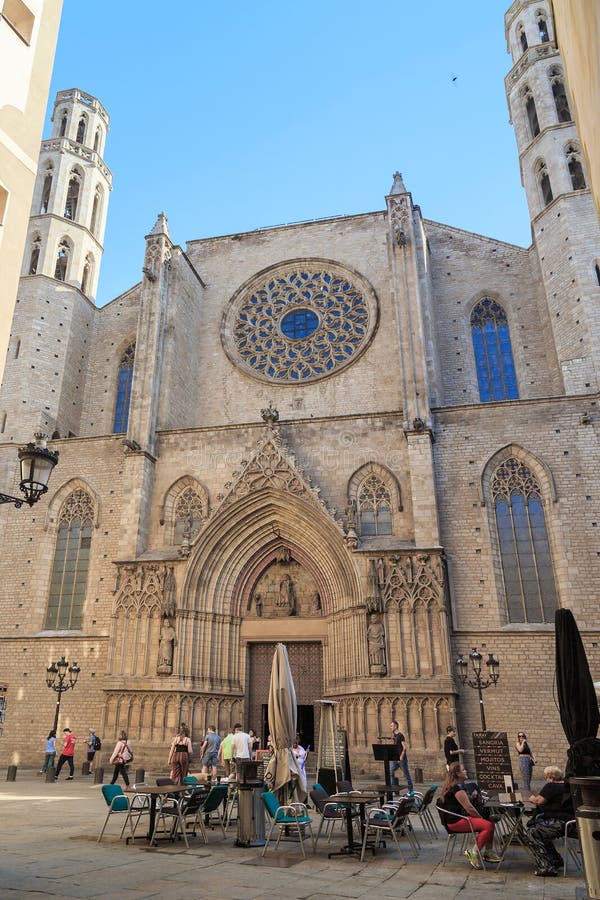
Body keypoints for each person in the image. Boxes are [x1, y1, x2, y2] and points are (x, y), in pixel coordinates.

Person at [439, 762, 499, 868]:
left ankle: (488, 851)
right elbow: (469, 808)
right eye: (463, 770)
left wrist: (472, 796)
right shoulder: (457, 789)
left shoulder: (457, 786)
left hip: (459, 817)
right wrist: (481, 819)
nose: (465, 771)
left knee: (490, 821)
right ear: (458, 773)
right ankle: (473, 853)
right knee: (487, 825)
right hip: (455, 822)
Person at [527, 765, 574, 877]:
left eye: (546, 777)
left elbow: (539, 801)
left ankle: (547, 866)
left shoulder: (551, 786)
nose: (546, 779)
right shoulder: (566, 786)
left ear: (550, 776)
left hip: (559, 822)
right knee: (540, 830)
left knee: (532, 832)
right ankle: (555, 859)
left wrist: (532, 798)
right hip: (571, 823)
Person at [390, 720, 414, 792]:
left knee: (407, 774)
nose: (390, 727)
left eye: (391, 726)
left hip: (401, 759)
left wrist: (401, 756)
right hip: (395, 758)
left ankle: (411, 790)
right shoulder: (394, 736)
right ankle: (395, 789)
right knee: (391, 772)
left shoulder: (400, 735)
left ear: (396, 726)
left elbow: (404, 747)